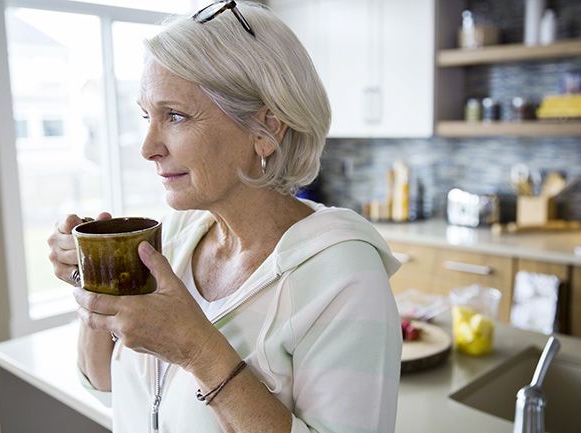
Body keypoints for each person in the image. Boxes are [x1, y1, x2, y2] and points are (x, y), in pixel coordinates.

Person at [47, 1, 402, 432]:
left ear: (266, 129)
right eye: (146, 115)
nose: (147, 147)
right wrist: (93, 280)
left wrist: (196, 348)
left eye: (174, 116)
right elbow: (104, 383)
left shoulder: (344, 278)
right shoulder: (175, 237)